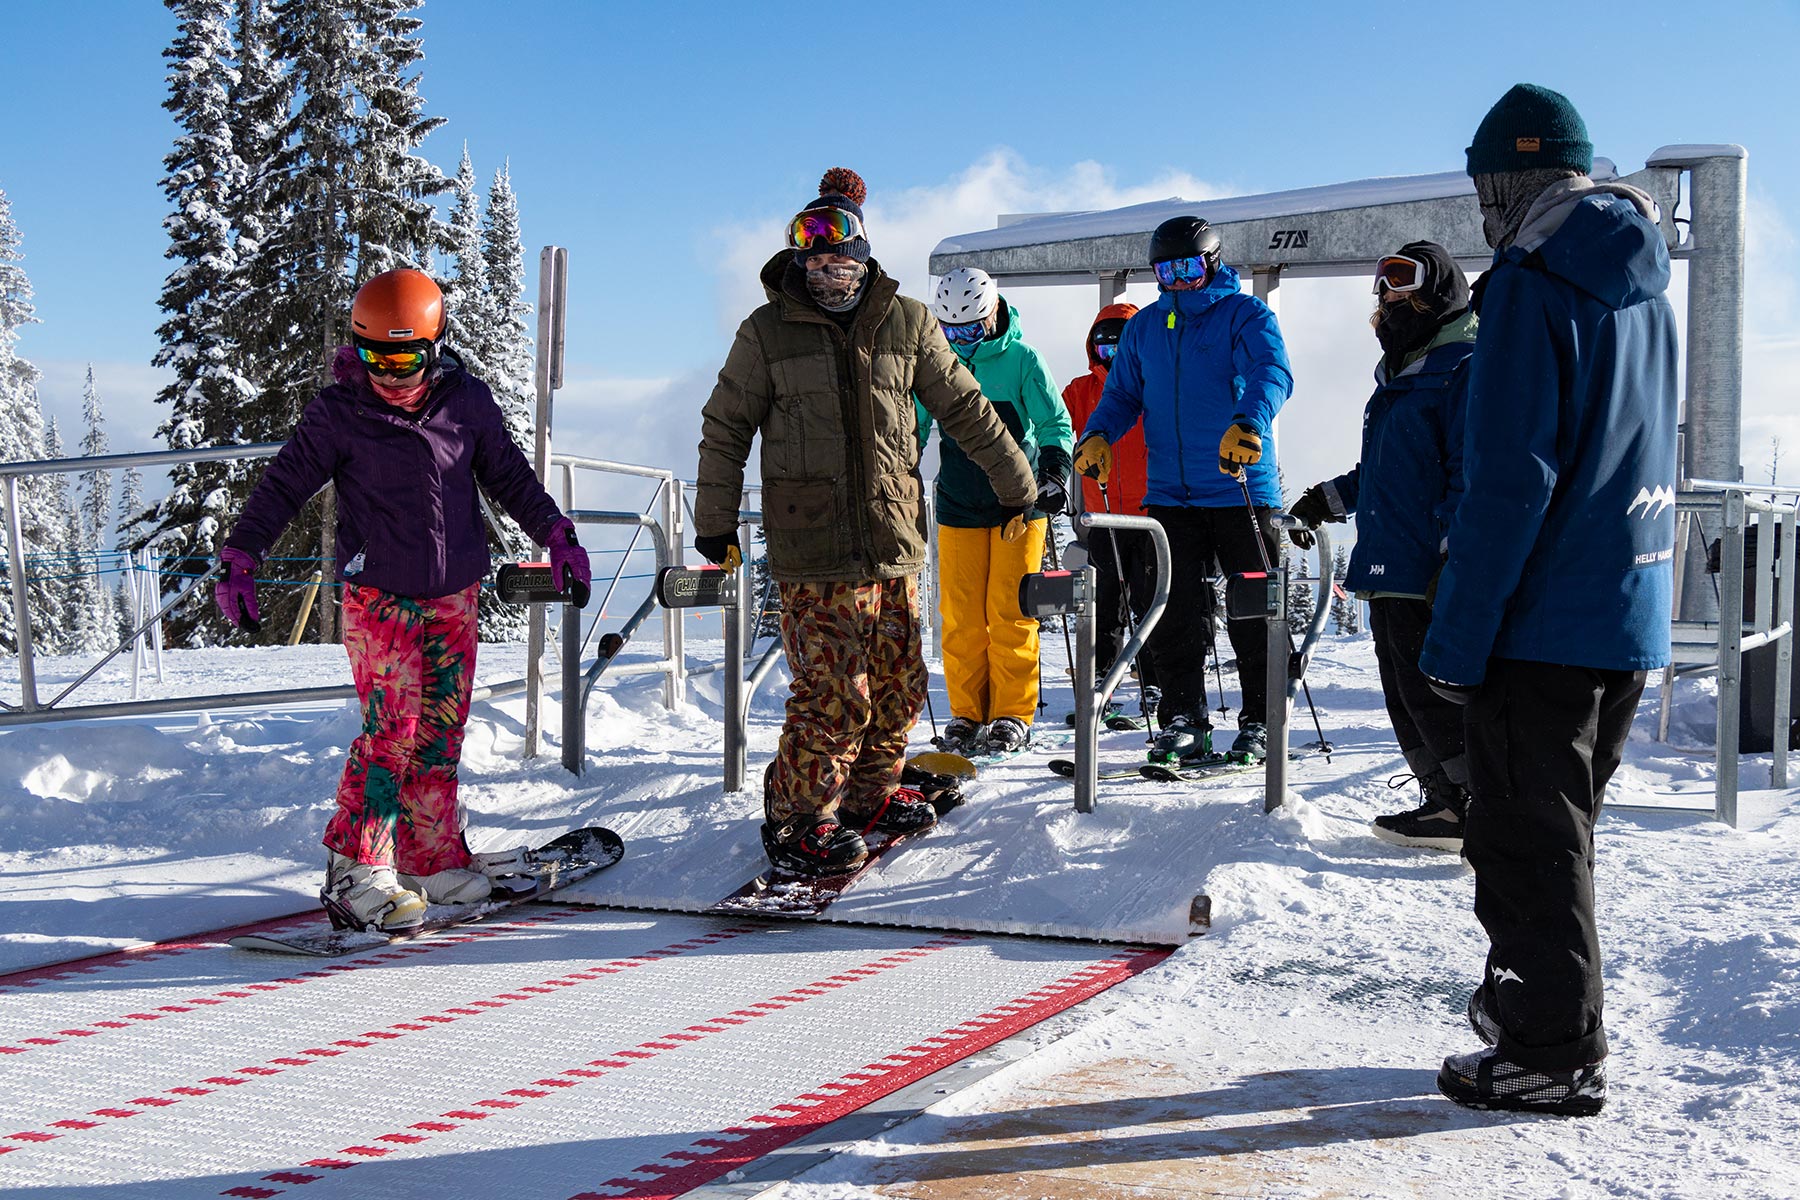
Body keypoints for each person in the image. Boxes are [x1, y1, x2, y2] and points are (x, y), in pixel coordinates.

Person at [1422, 84, 1678, 1115]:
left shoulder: (1531, 286)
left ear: (1515, 182)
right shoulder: (1641, 280)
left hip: (1541, 618)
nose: (1483, 206)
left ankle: (1549, 1049)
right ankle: (1527, 1001)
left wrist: (1457, 634)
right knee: (1557, 831)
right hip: (1622, 606)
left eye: (1488, 184)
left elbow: (1508, 479)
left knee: (1526, 842)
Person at [214, 268, 592, 932]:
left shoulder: (465, 402)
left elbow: (508, 473)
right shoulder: (340, 413)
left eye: (405, 356)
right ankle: (358, 869)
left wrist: (556, 534)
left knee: (441, 735)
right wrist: (242, 553)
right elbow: (284, 484)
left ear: (435, 342)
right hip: (379, 596)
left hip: (453, 595)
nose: (390, 373)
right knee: (391, 735)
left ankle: (428, 856)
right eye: (375, 357)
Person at [693, 168, 1034, 877]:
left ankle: (866, 798)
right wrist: (715, 521)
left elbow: (967, 409)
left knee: (899, 684)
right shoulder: (766, 332)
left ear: (864, 253)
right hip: (815, 547)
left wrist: (1016, 484)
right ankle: (796, 818)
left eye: (839, 253)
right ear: (798, 260)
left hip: (893, 541)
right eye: (813, 255)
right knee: (832, 695)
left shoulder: (906, 322)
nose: (827, 266)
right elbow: (725, 427)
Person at [1074, 216, 1295, 763]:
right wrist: (1099, 433)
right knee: (1174, 609)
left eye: (1189, 267)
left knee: (1252, 608)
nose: (1179, 280)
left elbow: (1273, 372)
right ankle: (1183, 717)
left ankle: (1262, 718)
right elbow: (1123, 393)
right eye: (1166, 270)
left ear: (1212, 262)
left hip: (1237, 483)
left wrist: (1250, 421)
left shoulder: (1245, 314)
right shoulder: (1147, 327)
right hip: (1171, 494)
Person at [1289, 242, 1476, 851]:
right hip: (1389, 561)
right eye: (1383, 286)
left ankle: (1477, 805)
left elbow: (1467, 472)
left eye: (1403, 282)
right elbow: (1390, 471)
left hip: (1427, 565)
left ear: (1440, 288)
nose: (1390, 296)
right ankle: (1444, 801)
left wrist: (1455, 556)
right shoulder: (1403, 372)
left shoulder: (1463, 366)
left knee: (1435, 692)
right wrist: (1326, 500)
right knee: (1404, 693)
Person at [920, 267, 1073, 755]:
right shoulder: (937, 363)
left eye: (970, 328)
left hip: (1018, 506)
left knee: (1010, 613)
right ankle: (967, 713)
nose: (961, 339)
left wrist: (1054, 473)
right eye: (950, 330)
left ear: (991, 315)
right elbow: (915, 425)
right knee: (961, 616)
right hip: (959, 502)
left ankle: (1011, 712)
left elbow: (1054, 422)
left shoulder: (1023, 360)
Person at [1061, 303, 1159, 727]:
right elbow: (1052, 426)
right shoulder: (1081, 391)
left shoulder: (1155, 383)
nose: (1111, 357)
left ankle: (1156, 679)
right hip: (1101, 517)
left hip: (1153, 514)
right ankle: (1102, 679)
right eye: (1103, 348)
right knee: (1103, 603)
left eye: (1119, 346)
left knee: (1152, 599)